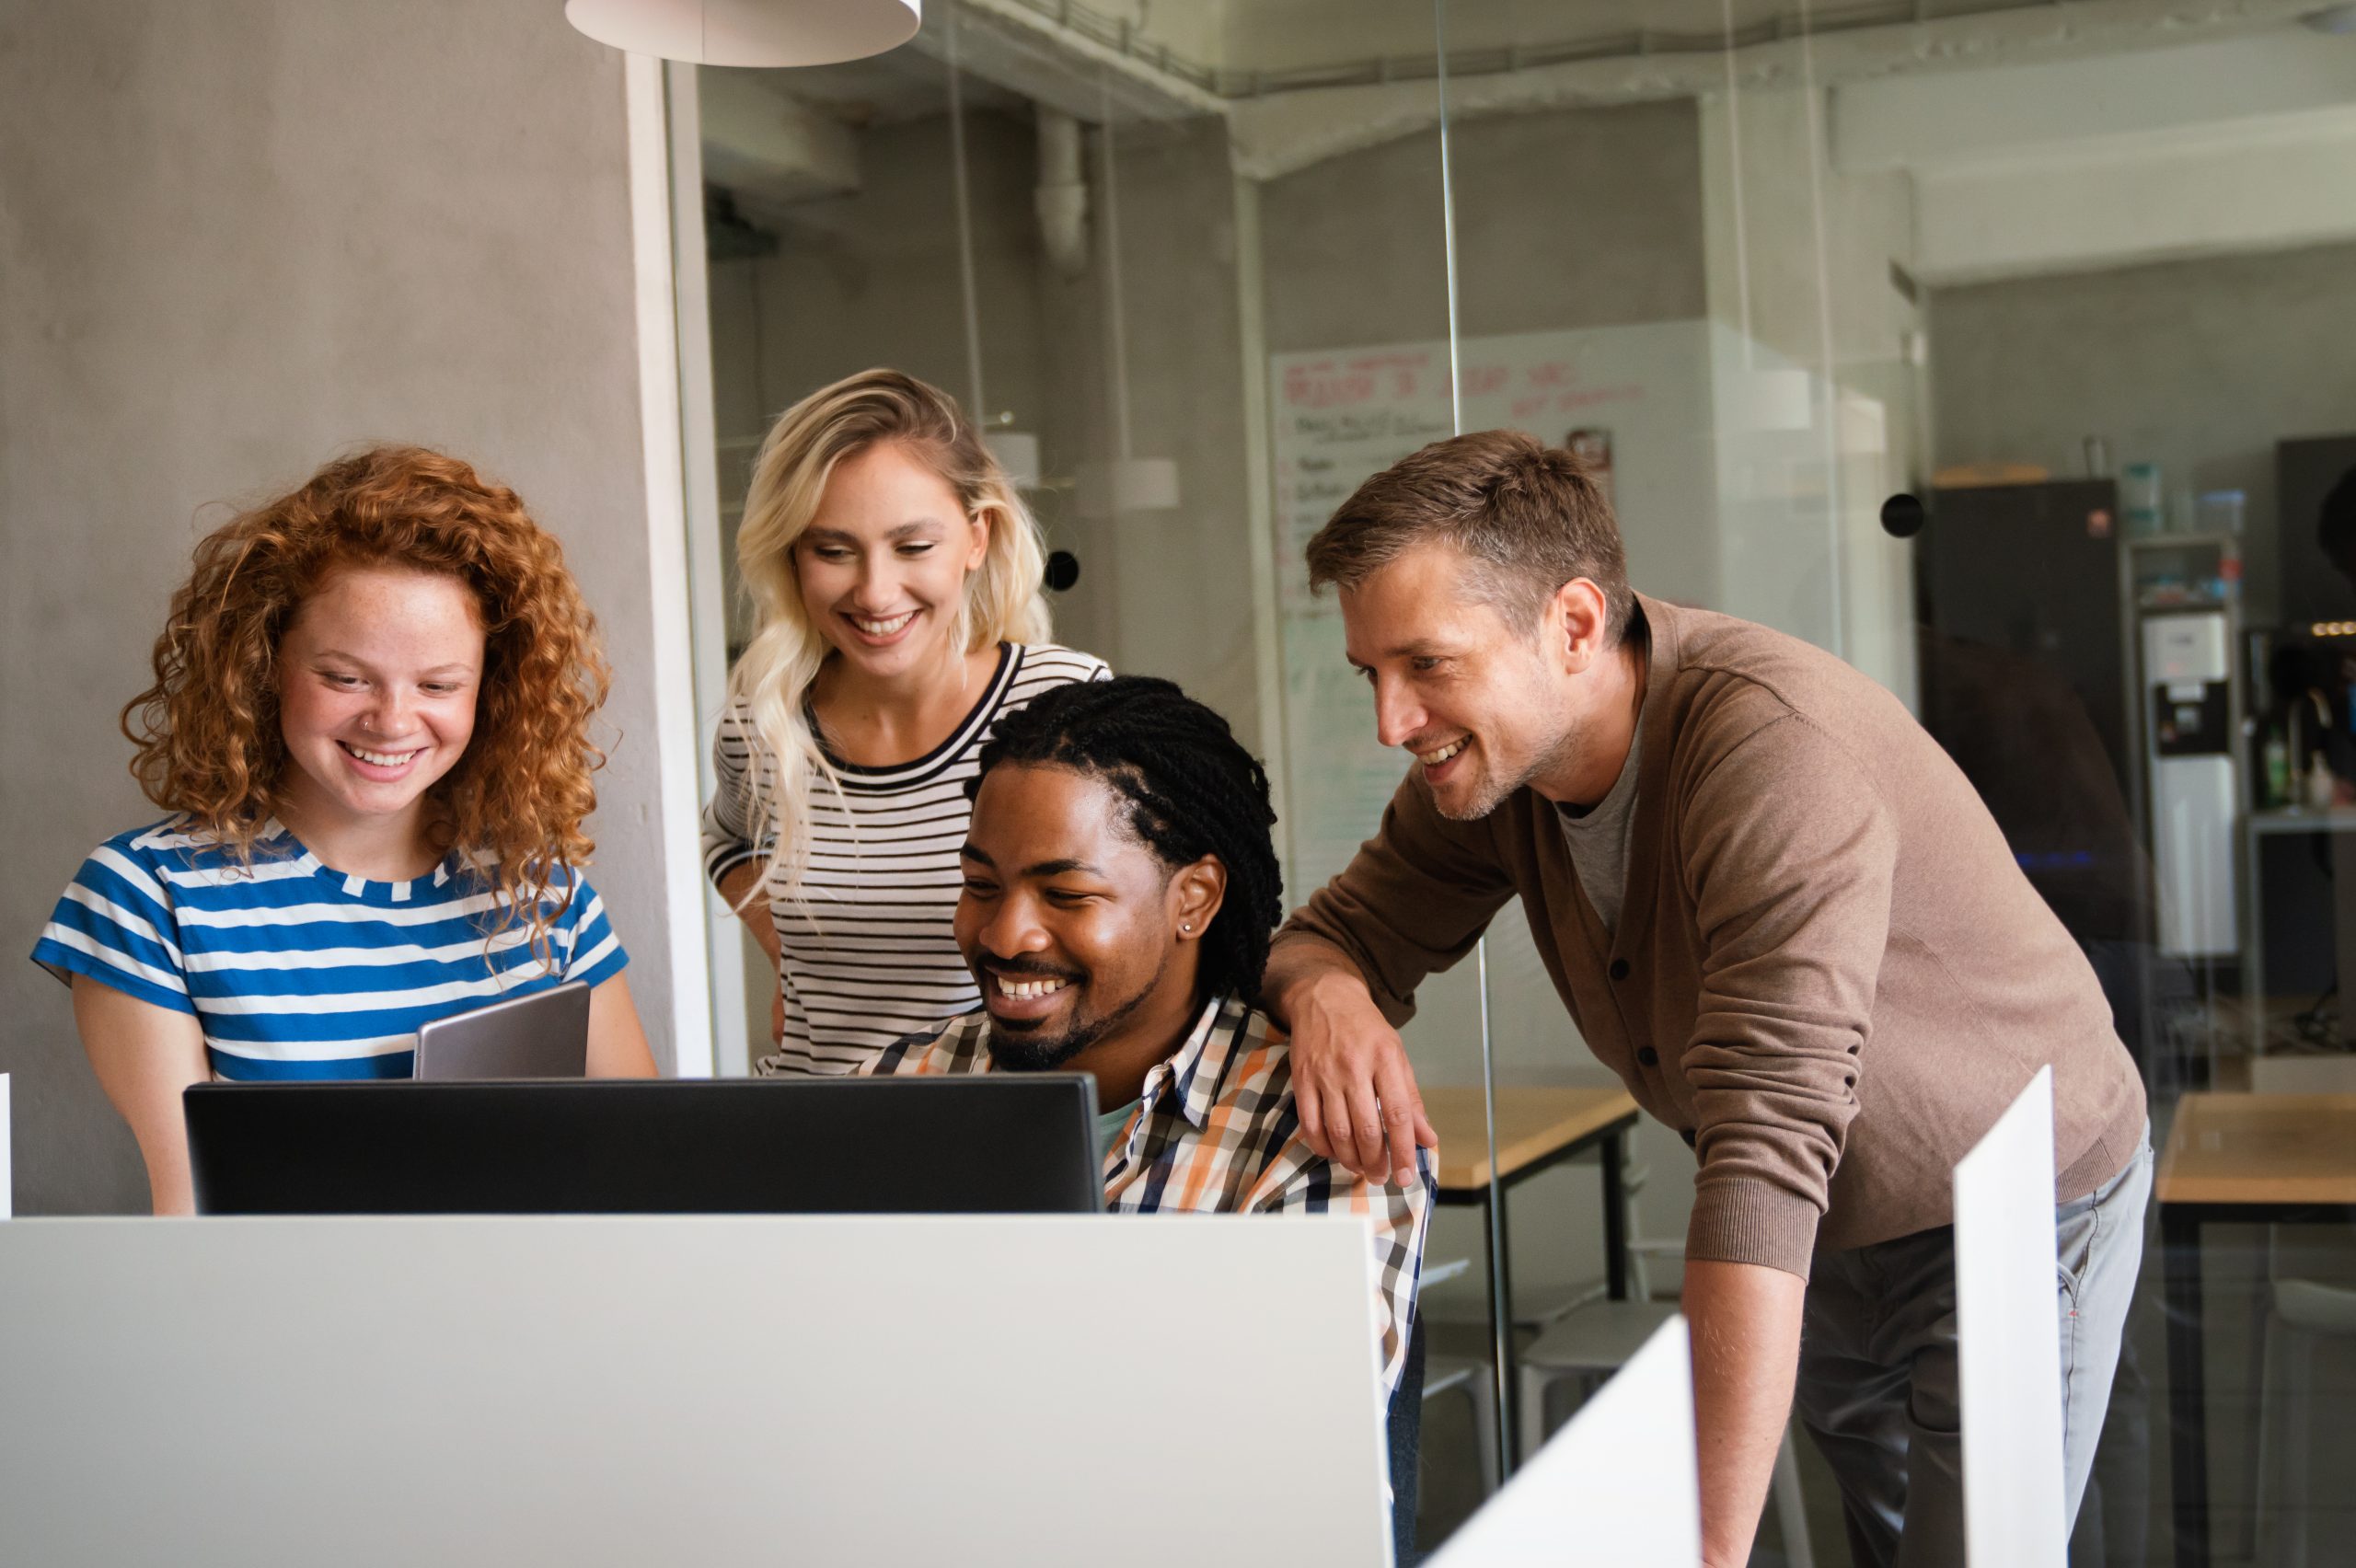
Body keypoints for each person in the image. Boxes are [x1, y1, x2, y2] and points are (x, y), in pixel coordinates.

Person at [1265, 430, 2150, 1568]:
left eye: (1428, 665)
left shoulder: (1768, 752)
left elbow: (1764, 1143)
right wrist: (1331, 992)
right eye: (1370, 676)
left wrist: (1705, 1546)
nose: (1392, 722)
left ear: (1574, 626)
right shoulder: (1499, 767)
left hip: (2016, 1192)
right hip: (1835, 1207)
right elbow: (1332, 936)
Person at [862, 675, 1433, 1546]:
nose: (1006, 933)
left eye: (1066, 895)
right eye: (982, 885)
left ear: (1193, 901)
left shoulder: (1319, 1123)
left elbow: (1282, 1450)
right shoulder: (896, 1090)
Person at [32, 446, 656, 1215]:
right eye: (345, 677)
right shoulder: (148, 897)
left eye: (437, 684)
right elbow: (189, 1213)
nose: (392, 721)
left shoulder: (545, 897)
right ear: (264, 665)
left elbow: (641, 1177)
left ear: (488, 692)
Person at [702, 368, 1108, 1077]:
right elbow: (726, 837)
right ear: (793, 556)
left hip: (1002, 1143)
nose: (875, 591)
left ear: (976, 540)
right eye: (832, 550)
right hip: (813, 1141)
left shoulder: (1067, 704)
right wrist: (785, 950)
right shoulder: (762, 726)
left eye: (913, 547)